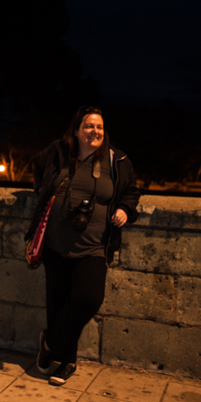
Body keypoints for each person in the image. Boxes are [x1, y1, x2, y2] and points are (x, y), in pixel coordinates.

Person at [27, 106, 139, 385]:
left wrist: (125, 208)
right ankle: (67, 361)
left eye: (99, 127)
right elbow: (37, 166)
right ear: (76, 130)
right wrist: (42, 191)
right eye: (89, 126)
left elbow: (132, 191)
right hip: (55, 244)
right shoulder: (59, 152)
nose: (95, 132)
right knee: (58, 302)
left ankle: (51, 342)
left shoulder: (117, 159)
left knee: (88, 299)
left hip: (93, 246)